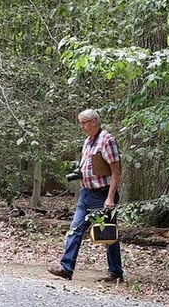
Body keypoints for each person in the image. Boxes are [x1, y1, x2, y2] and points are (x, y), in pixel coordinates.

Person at [48, 109, 124, 283]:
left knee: (107, 235)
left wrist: (110, 198)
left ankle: (116, 272)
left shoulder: (107, 140)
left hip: (102, 194)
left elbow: (116, 172)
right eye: (80, 123)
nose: (81, 127)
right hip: (86, 193)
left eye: (84, 123)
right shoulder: (88, 141)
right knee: (75, 230)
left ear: (94, 122)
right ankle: (66, 269)